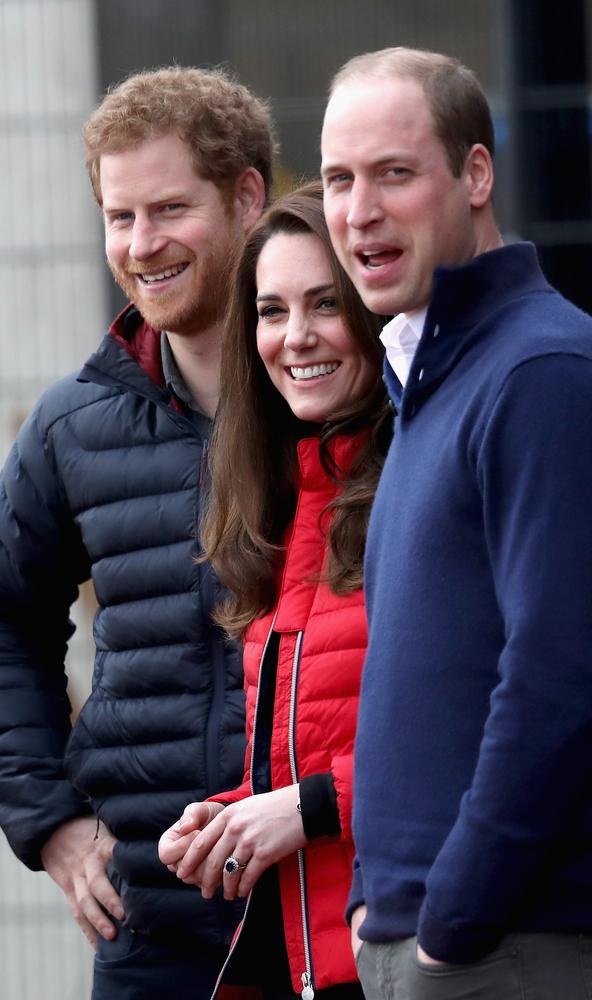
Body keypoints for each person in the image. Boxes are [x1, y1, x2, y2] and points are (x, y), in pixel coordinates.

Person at [320, 46, 592, 999]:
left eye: (394, 173)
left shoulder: (541, 375)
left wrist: (450, 925)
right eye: (340, 178)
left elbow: (558, 685)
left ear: (475, 174)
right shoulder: (434, 379)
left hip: (516, 949)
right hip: (448, 946)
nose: (358, 211)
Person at [0, 66, 272, 998]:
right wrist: (51, 822)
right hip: (152, 933)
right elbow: (6, 618)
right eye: (121, 217)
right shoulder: (73, 424)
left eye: (168, 209)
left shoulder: (340, 397)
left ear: (247, 197)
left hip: (337, 915)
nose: (142, 245)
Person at [159, 183, 391, 1000]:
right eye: (271, 310)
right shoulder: (287, 502)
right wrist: (232, 817)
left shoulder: (421, 483)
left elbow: (478, 733)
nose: (296, 338)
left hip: (405, 953)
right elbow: (317, 750)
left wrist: (307, 808)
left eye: (326, 304)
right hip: (305, 962)